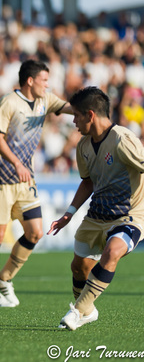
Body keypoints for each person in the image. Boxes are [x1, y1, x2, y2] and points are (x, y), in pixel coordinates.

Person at [0, 59, 73, 307]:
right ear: (30, 81)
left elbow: (69, 107)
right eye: (44, 80)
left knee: (35, 232)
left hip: (25, 177)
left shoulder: (45, 100)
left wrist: (93, 110)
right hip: (3, 175)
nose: (47, 84)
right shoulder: (8, 102)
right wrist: (17, 163)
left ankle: (5, 279)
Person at [48, 87, 144, 330]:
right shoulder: (83, 146)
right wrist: (69, 213)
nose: (73, 121)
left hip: (129, 215)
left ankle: (78, 313)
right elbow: (88, 181)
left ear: (91, 115)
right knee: (79, 268)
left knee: (112, 253)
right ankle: (88, 310)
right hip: (95, 216)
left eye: (77, 115)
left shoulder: (123, 140)